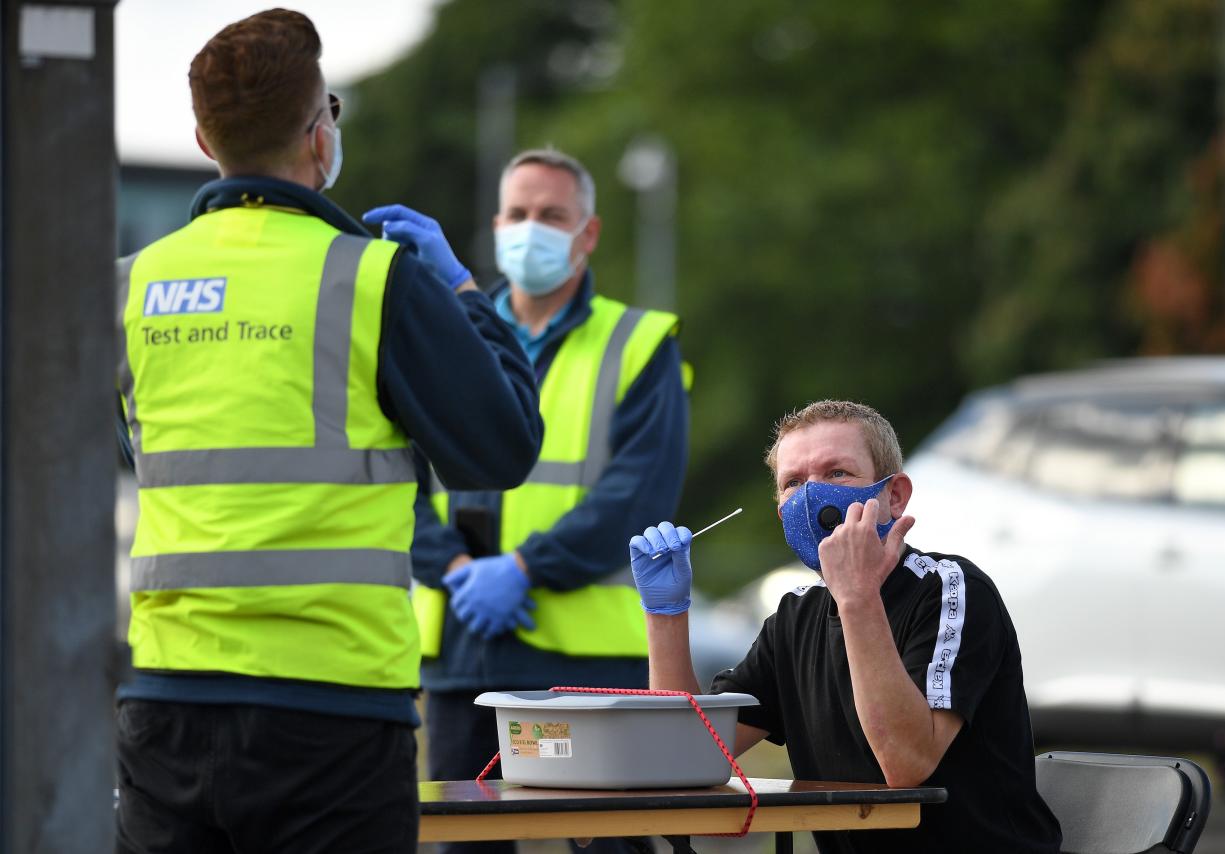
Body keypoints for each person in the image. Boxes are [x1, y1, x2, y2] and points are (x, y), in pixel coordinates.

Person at [113, 10, 542, 853]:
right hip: (331, 709)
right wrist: (460, 291)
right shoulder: (372, 278)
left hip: (167, 701)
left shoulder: (132, 286)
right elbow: (500, 447)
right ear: (320, 134)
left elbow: (127, 450)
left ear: (204, 140)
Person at [386, 148, 689, 854]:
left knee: (612, 844)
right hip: (465, 648)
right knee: (468, 845)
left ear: (588, 233)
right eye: (518, 214)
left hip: (590, 664)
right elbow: (396, 477)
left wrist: (523, 568)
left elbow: (637, 494)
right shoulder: (444, 333)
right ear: (495, 227)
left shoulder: (638, 343)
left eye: (552, 215)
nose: (532, 229)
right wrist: (454, 568)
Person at [630, 400, 1062, 853]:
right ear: (782, 512)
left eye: (837, 473)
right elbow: (684, 758)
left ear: (893, 496)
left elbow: (906, 764)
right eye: (793, 483)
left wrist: (857, 596)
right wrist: (666, 616)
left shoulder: (950, 589)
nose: (812, 495)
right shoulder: (795, 617)